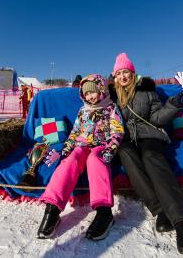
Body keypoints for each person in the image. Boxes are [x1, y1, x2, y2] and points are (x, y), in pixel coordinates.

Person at [109, 53, 183, 254]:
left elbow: (157, 118)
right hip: (125, 139)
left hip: (149, 134)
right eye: (120, 73)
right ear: (115, 76)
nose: (123, 76)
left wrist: (175, 104)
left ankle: (182, 221)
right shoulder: (111, 96)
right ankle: (160, 211)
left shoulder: (147, 91)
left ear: (133, 73)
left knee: (151, 157)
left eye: (127, 72)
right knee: (126, 154)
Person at [37, 74, 124, 241]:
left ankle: (104, 212)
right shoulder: (83, 110)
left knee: (95, 160)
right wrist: (66, 149)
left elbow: (117, 130)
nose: (90, 96)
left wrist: (111, 148)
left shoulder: (111, 108)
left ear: (102, 90)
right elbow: (75, 132)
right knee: (70, 161)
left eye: (93, 92)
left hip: (101, 146)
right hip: (81, 146)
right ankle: (52, 208)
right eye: (86, 94)